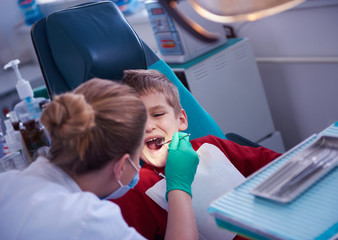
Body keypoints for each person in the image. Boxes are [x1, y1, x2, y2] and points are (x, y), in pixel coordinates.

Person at [0, 78, 200, 240]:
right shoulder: (90, 220)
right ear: (121, 166)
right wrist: (179, 186)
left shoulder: (7, 184)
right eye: (138, 154)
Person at [111, 69, 282, 240]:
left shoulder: (212, 146)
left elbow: (283, 168)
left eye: (158, 114)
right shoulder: (134, 190)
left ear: (181, 119)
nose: (148, 126)